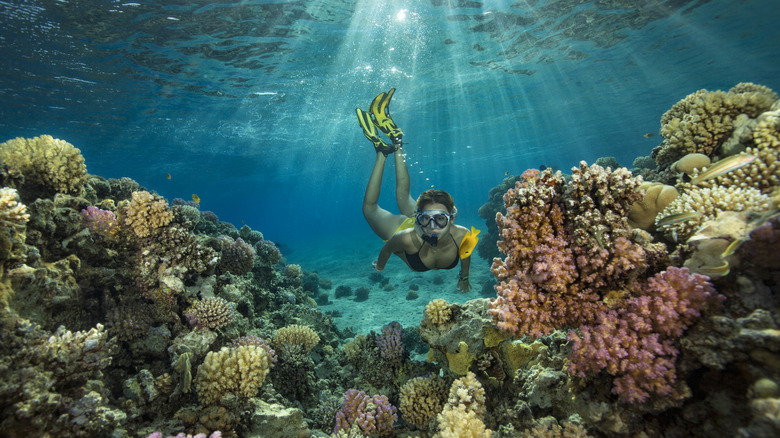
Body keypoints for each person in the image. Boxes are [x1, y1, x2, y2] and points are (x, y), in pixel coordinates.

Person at [355, 88, 476, 292]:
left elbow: (466, 256)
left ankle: (396, 143)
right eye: (426, 219)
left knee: (402, 197)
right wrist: (381, 265)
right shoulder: (404, 237)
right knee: (369, 209)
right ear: (419, 217)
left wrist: (464, 278)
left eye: (440, 219)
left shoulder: (465, 236)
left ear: (452, 218)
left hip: (415, 223)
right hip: (406, 227)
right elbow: (385, 250)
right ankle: (383, 154)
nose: (432, 227)